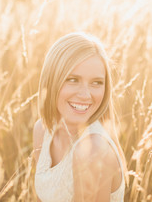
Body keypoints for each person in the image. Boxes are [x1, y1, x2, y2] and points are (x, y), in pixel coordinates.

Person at [33, 32, 127, 202]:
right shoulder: (42, 130)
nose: (85, 95)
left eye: (96, 82)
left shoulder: (93, 151)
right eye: (73, 79)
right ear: (52, 80)